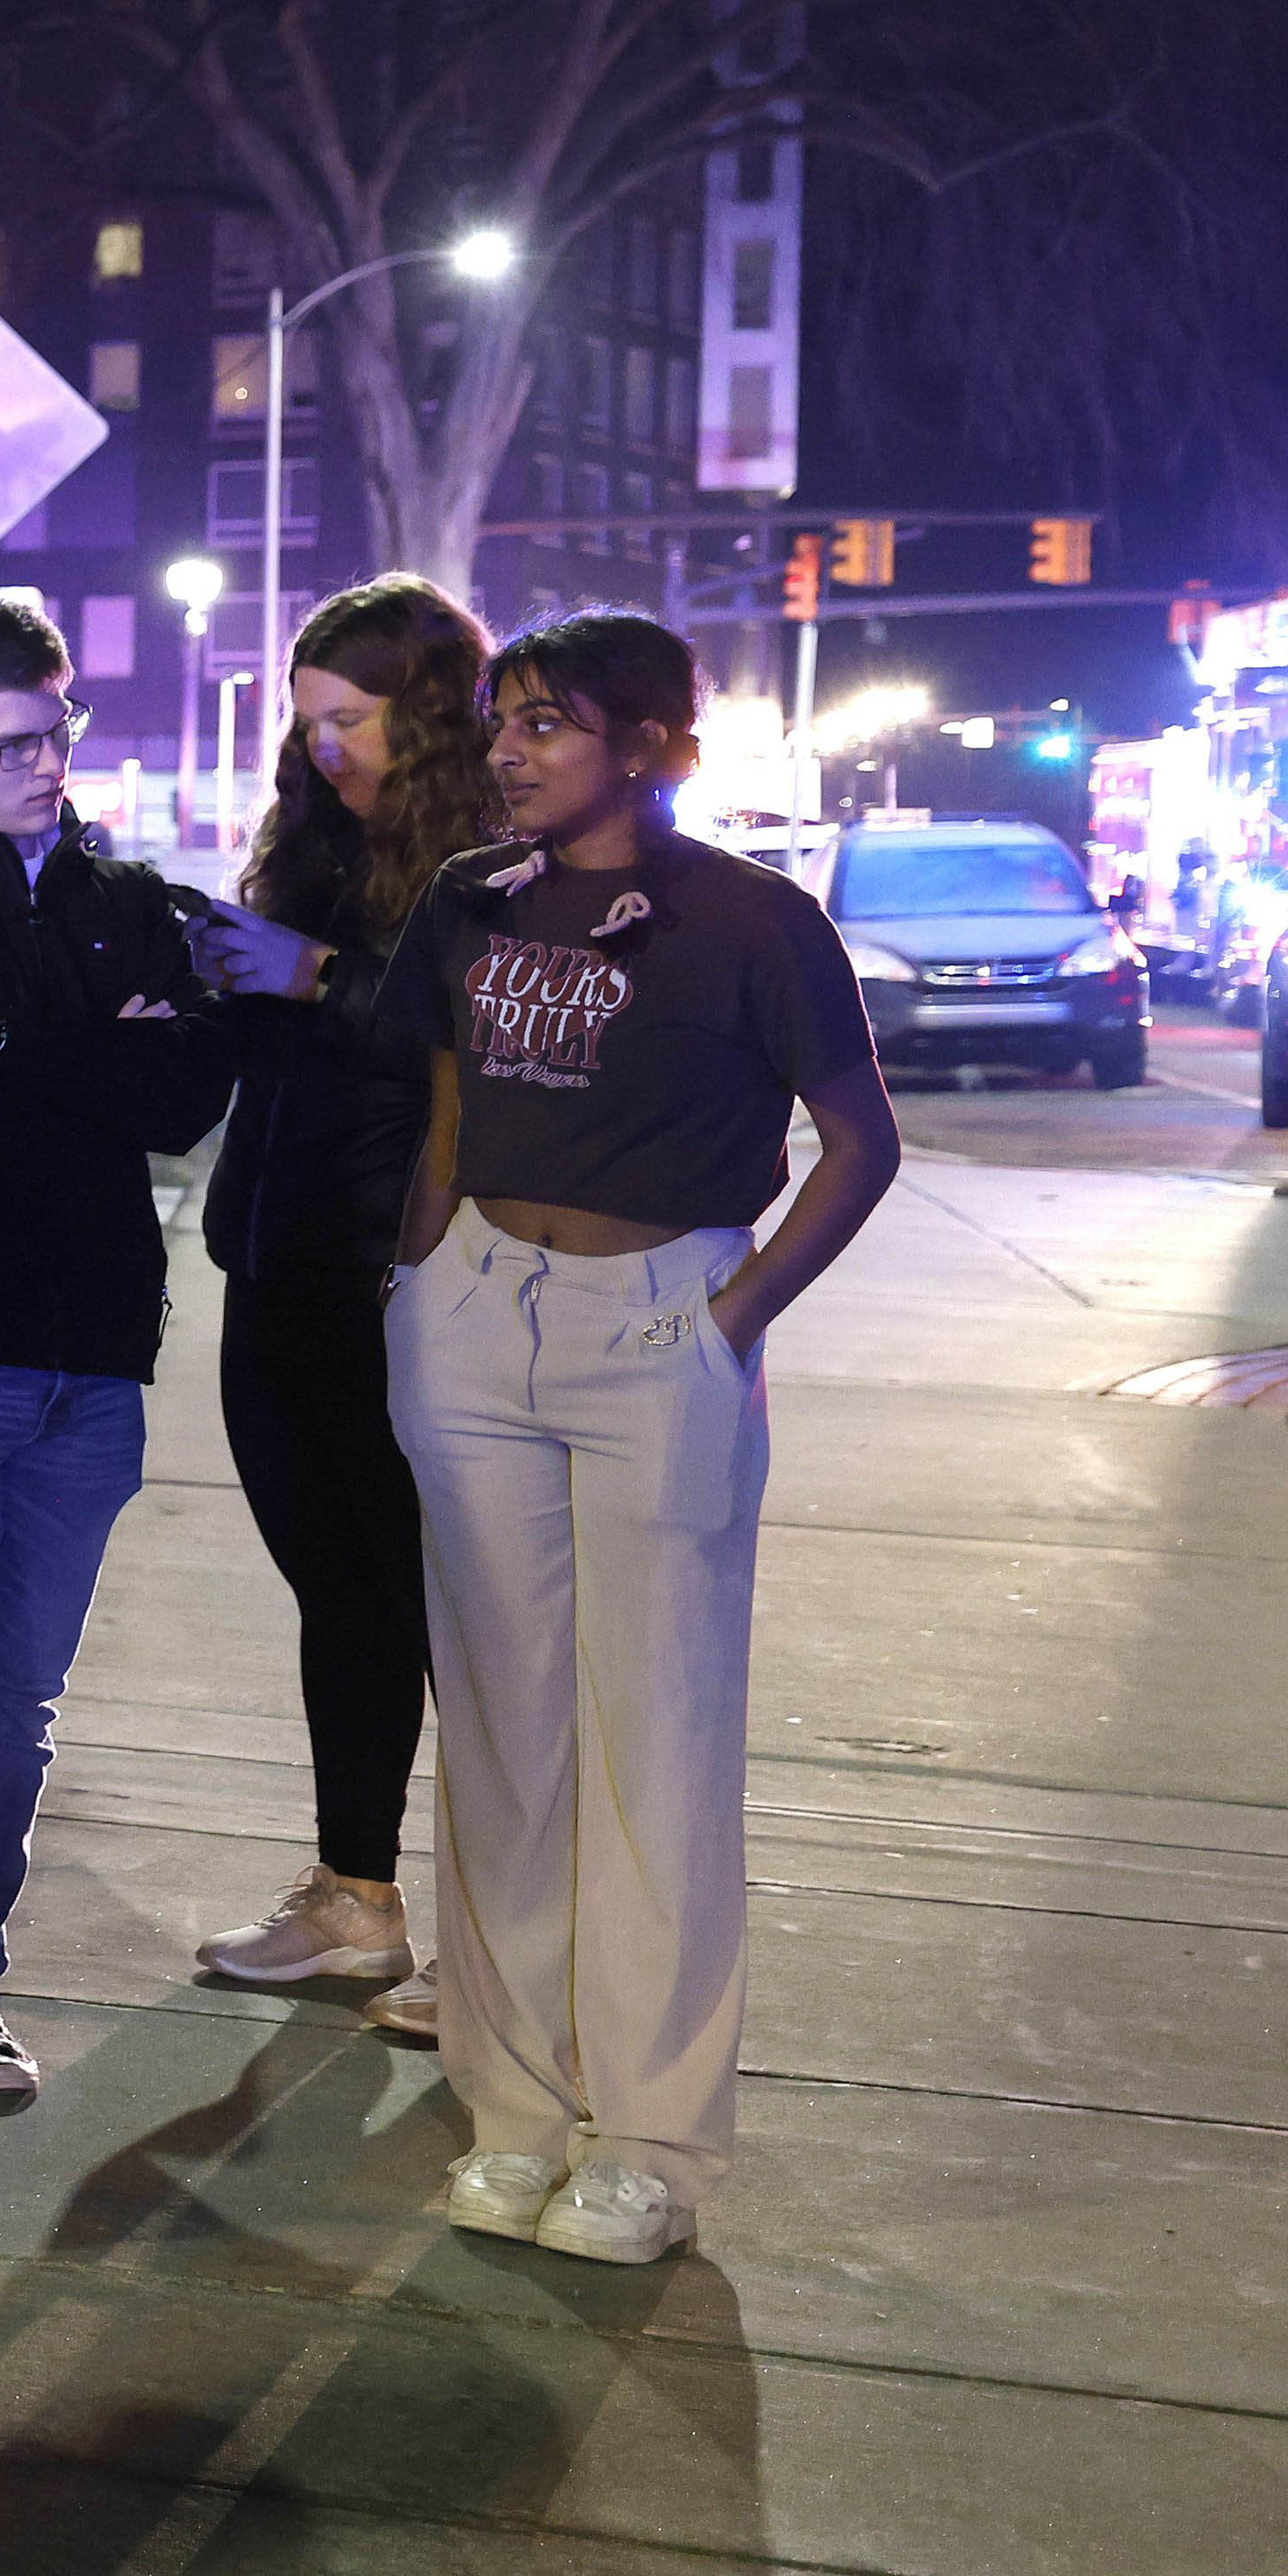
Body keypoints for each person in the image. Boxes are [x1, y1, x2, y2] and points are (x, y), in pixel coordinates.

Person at [380, 610, 897, 2268]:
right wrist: (420, 1269)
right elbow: (449, 1092)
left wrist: (733, 1317)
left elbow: (860, 1143)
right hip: (473, 1314)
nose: (513, 750)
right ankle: (518, 2110)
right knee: (501, 1734)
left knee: (654, 1730)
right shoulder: (471, 896)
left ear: (656, 742)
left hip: (659, 1322)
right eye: (503, 723)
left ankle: (650, 2137)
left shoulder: (751, 920)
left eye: (549, 724)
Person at [0, 592, 239, 2104]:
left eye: (58, 729)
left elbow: (181, 1097)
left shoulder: (125, 894)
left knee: (18, 1701)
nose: (46, 763)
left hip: (95, 1351)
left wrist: (21, 1045)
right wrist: (92, 1044)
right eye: (9, 742)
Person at [182, 577, 497, 2035]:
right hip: (279, 1255)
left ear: (426, 713)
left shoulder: (496, 854)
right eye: (306, 720)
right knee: (342, 1590)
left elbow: (486, 1038)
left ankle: (498, 1944)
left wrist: (317, 977)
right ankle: (355, 1899)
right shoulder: (310, 842)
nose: (322, 749)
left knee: (453, 1608)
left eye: (350, 719)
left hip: (409, 1269)